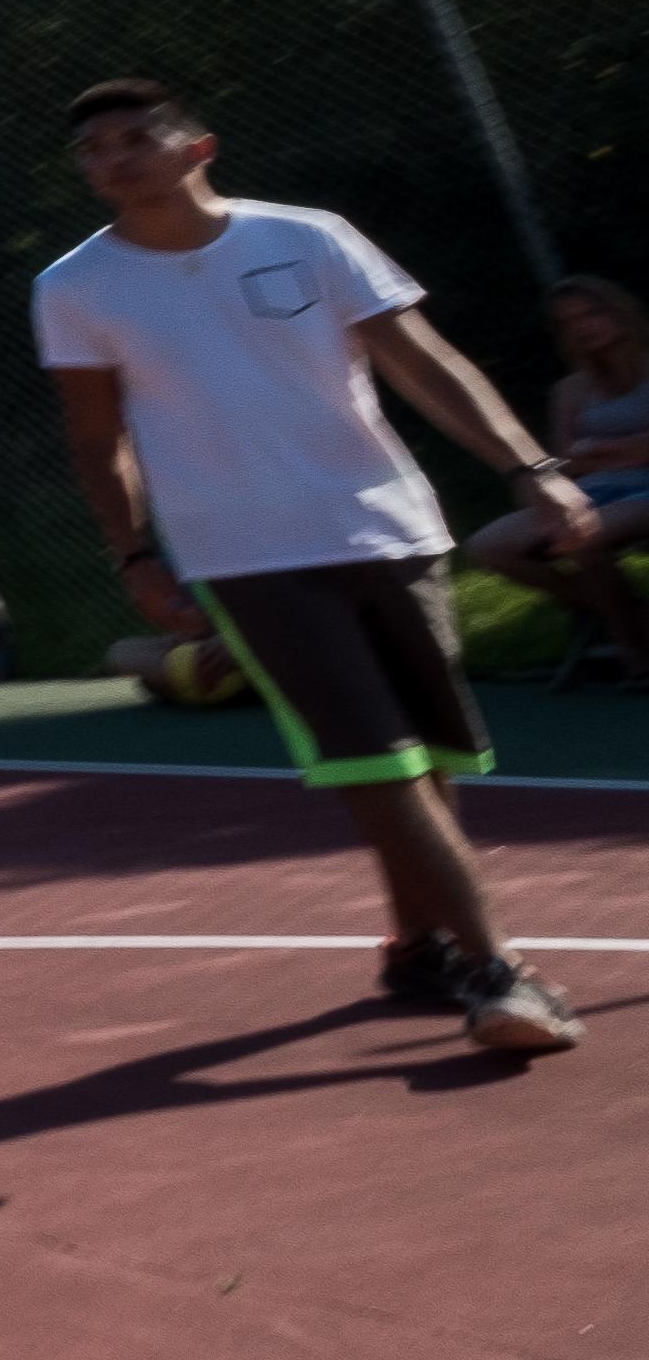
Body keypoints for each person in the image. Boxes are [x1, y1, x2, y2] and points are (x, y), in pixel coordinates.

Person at [34, 77, 588, 1057]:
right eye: (94, 150)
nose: (113, 158)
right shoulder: (74, 287)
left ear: (197, 145)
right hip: (249, 557)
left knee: (434, 753)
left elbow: (425, 362)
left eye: (135, 136)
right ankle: (501, 971)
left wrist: (531, 468)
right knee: (375, 761)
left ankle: (419, 945)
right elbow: (95, 435)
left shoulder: (309, 235)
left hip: (390, 528)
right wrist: (133, 551)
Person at [462, 272, 649, 688]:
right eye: (569, 321)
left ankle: (636, 656)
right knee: (489, 547)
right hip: (594, 493)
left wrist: (600, 452)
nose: (583, 326)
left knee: (585, 536)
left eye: (592, 312)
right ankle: (630, 617)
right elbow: (564, 462)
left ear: (620, 311)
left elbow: (583, 454)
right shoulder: (572, 389)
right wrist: (620, 452)